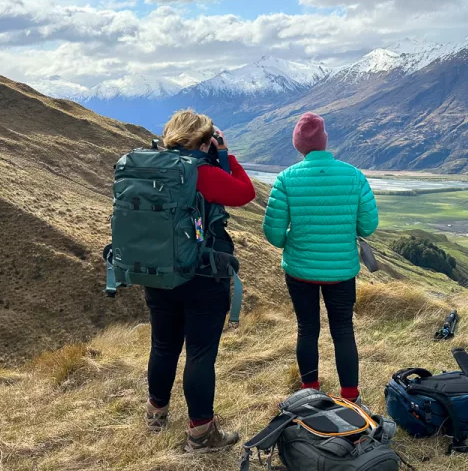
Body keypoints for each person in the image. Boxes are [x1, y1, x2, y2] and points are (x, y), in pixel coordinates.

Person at [143, 109, 255, 453]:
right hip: (202, 277)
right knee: (200, 353)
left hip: (157, 272)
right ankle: (201, 435)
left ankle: (156, 414)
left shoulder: (149, 167)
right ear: (205, 141)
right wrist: (226, 154)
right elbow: (245, 192)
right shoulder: (203, 173)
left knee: (163, 345)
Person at [262, 112, 379, 404]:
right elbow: (368, 226)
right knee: (343, 330)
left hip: (300, 269)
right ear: (325, 141)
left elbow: (274, 235)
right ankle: (351, 397)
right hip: (341, 270)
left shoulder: (286, 179)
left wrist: (296, 240)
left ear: (297, 145)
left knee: (307, 329)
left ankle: (311, 394)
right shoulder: (353, 175)